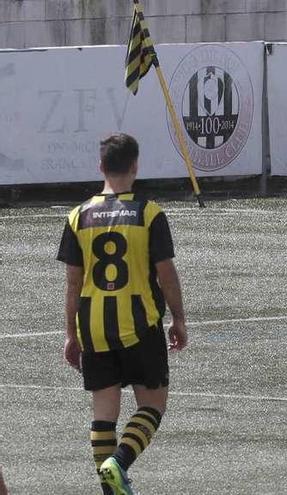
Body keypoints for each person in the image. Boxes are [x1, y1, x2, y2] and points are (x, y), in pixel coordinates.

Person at [56, 133, 188, 495]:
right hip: (139, 322)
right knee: (153, 403)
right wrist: (178, 318)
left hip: (93, 325)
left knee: (103, 411)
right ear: (135, 166)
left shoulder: (77, 216)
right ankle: (120, 462)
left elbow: (72, 284)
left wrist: (71, 334)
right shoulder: (148, 213)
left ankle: (110, 487)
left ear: (100, 166)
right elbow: (165, 273)